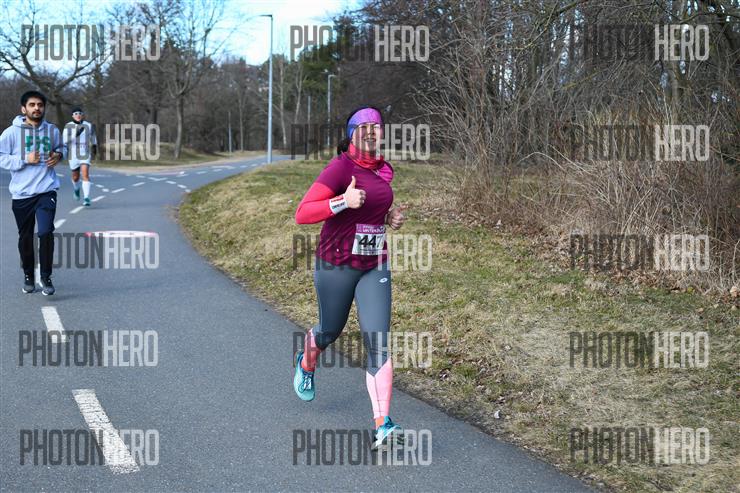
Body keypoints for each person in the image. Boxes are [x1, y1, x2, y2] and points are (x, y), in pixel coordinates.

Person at [293, 106, 408, 449]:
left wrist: (388, 218)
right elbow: (303, 213)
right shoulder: (340, 168)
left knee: (379, 341)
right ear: (352, 134)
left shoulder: (383, 170)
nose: (372, 131)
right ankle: (307, 361)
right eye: (364, 126)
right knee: (330, 330)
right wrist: (342, 200)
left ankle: (382, 423)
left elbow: (370, 209)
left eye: (377, 126)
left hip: (374, 265)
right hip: (336, 265)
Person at [0, 90, 66, 295]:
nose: (36, 108)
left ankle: (46, 276)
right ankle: (28, 274)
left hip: (46, 190)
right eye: (32, 105)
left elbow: (61, 147)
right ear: (24, 109)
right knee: (25, 237)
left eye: (40, 105)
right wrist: (24, 160)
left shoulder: (52, 130)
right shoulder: (11, 133)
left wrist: (59, 155)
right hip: (22, 194)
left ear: (44, 108)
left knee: (45, 232)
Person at [63, 106, 97, 206]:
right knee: (75, 177)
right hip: (73, 154)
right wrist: (75, 135)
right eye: (76, 114)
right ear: (72, 116)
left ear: (82, 115)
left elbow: (93, 136)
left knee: (85, 174)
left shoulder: (88, 125)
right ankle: (76, 189)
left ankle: (86, 198)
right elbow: (64, 141)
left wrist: (94, 146)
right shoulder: (68, 126)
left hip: (84, 153)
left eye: (80, 113)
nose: (78, 115)